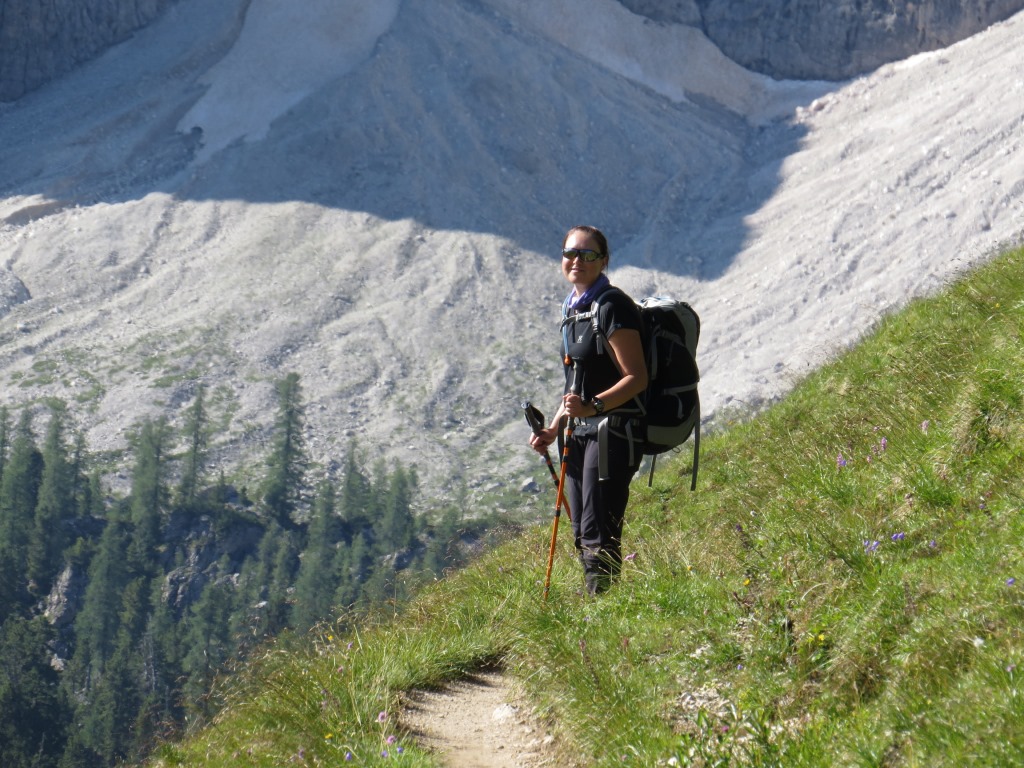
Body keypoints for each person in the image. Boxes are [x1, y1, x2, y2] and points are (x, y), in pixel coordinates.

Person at [529, 225, 648, 595]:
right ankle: (598, 603)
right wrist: (552, 428)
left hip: (614, 430)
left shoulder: (612, 306)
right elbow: (573, 390)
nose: (576, 260)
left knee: (598, 524)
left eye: (587, 254)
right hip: (579, 431)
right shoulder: (573, 309)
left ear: (604, 260)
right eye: (570, 253)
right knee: (581, 525)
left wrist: (593, 406)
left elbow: (636, 377)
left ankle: (603, 606)